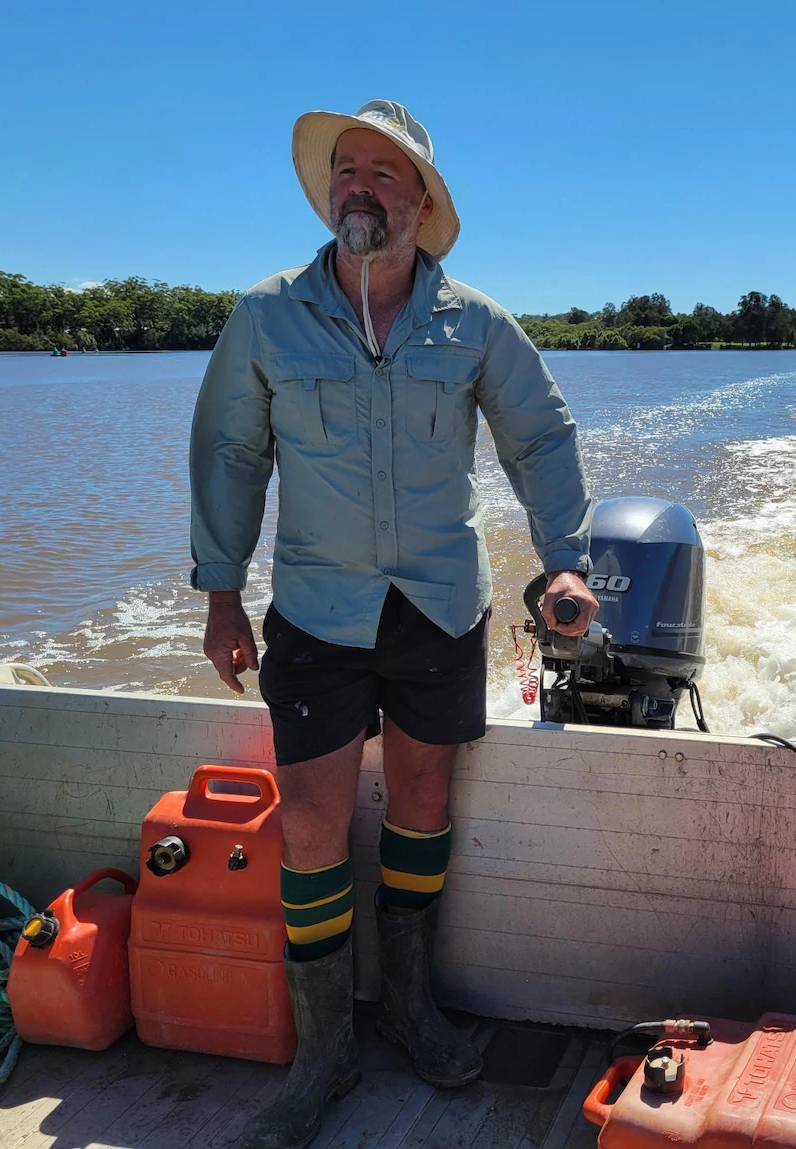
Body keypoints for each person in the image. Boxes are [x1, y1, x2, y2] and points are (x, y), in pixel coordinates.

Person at [189, 99, 598, 1149]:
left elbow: (539, 442)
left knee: (419, 804)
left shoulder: (477, 324)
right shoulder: (266, 317)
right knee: (313, 825)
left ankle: (411, 1010)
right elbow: (231, 455)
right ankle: (324, 1054)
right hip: (317, 613)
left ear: (421, 200)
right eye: (344, 170)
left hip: (438, 609)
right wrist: (222, 593)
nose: (357, 186)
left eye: (381, 172)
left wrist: (564, 561)